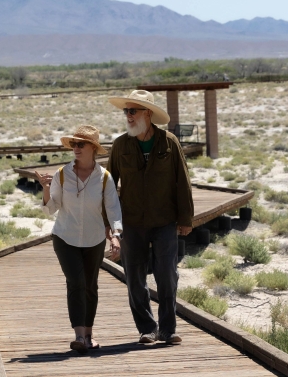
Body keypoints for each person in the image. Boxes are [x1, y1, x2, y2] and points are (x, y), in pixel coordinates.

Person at [107, 90, 194, 345]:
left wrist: (185, 218)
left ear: (148, 113)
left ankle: (168, 329)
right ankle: (146, 329)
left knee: (167, 274)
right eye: (126, 111)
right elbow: (109, 185)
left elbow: (182, 182)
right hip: (131, 222)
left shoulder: (169, 142)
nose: (128, 116)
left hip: (164, 220)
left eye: (132, 111)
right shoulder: (121, 144)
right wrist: (110, 225)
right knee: (134, 276)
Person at [39, 125, 122, 354]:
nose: (76, 148)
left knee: (90, 286)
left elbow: (114, 210)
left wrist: (115, 236)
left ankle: (88, 336)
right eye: (73, 144)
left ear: (93, 148)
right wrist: (46, 189)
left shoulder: (104, 178)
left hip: (94, 239)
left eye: (80, 144)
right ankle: (78, 336)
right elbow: (51, 209)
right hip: (65, 237)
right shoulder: (62, 175)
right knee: (76, 282)